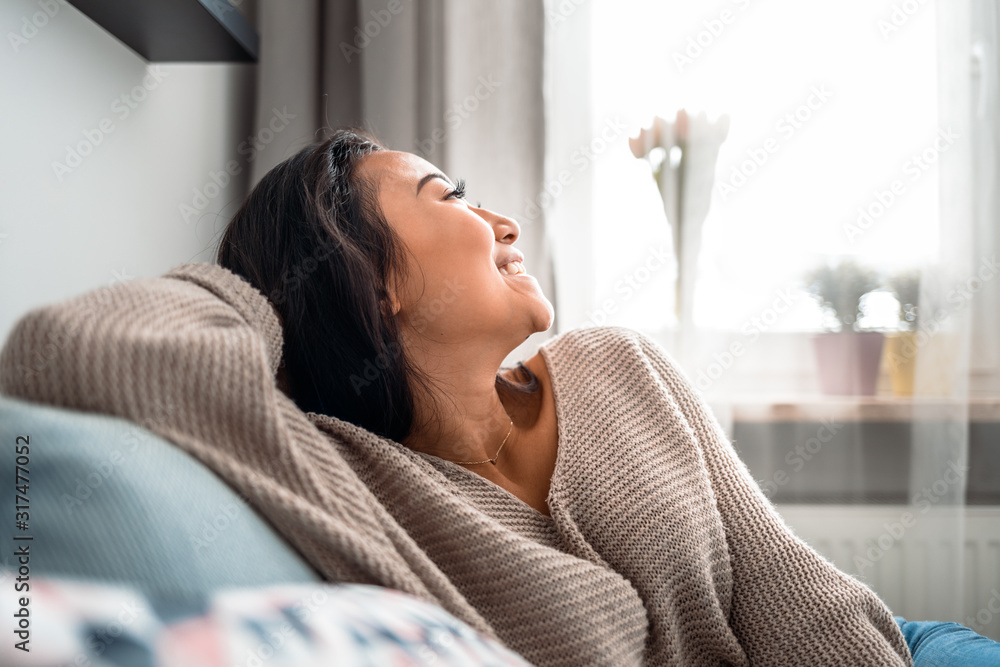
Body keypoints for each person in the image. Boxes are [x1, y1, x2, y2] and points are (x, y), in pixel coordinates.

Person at [210, 127, 1000, 666]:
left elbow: (790, 590)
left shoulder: (616, 364)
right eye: (450, 198)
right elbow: (107, 350)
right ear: (367, 279)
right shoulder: (339, 471)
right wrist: (260, 300)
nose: (505, 223)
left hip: (891, 644)